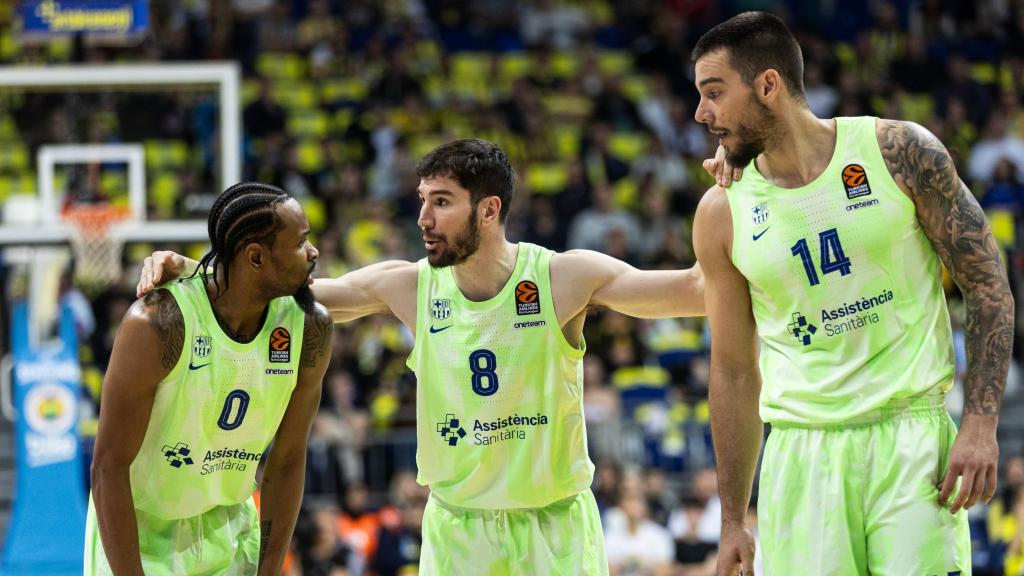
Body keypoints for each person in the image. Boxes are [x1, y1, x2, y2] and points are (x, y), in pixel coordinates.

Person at [137, 138, 706, 574]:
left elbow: (693, 290)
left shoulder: (562, 276)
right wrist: (193, 269)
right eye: (422, 202)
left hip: (554, 526)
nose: (423, 220)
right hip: (458, 530)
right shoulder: (409, 286)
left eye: (442, 203)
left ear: (488, 210)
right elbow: (291, 290)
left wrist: (731, 193)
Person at [691, 12, 1014, 576]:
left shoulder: (898, 151)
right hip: (801, 451)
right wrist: (732, 518)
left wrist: (981, 424)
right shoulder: (722, 210)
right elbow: (734, 372)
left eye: (714, 93)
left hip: (912, 440)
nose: (701, 113)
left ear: (768, 85)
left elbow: (986, 283)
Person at [87, 183, 333, 575]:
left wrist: (268, 571)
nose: (313, 252)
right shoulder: (157, 323)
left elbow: (287, 461)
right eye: (301, 242)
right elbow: (107, 468)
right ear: (256, 258)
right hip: (142, 538)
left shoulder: (310, 328)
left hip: (231, 531)